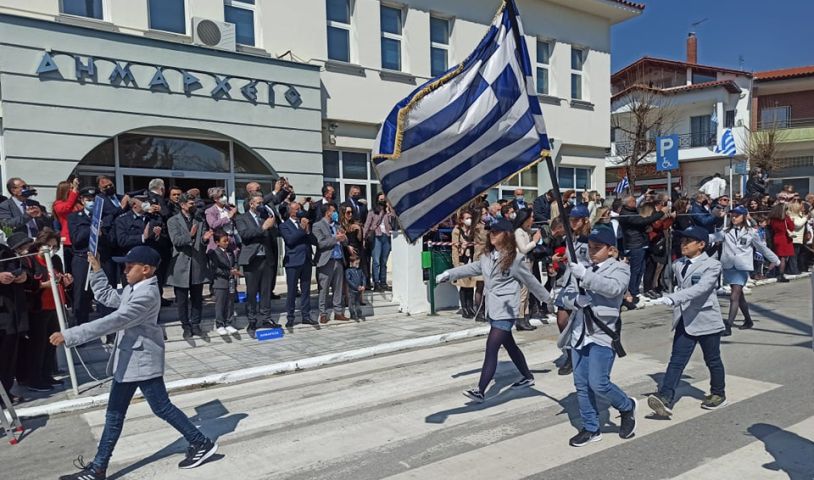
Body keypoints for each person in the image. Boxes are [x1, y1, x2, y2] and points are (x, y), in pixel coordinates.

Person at [51, 246, 217, 479]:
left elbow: (115, 320)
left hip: (141, 361)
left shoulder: (146, 294)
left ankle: (200, 443)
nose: (125, 270)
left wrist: (71, 334)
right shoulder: (134, 288)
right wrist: (97, 271)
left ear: (146, 270)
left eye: (130, 267)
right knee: (126, 412)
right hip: (130, 360)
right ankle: (99, 467)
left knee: (152, 409)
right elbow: (109, 298)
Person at [436, 218, 550, 403]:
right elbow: (470, 268)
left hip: (506, 310)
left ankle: (480, 390)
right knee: (510, 346)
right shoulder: (486, 257)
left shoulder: (516, 259)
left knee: (492, 347)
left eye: (496, 232)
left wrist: (549, 300)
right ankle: (527, 376)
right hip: (493, 309)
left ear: (506, 235)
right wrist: (449, 274)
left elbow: (532, 282)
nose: (492, 235)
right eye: (490, 232)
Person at [558, 224, 637, 447]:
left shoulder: (620, 268)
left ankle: (626, 405)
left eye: (598, 248)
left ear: (611, 250)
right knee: (581, 384)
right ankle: (591, 428)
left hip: (602, 332)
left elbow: (614, 289)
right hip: (580, 332)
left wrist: (586, 277)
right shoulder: (582, 267)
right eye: (590, 247)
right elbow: (564, 296)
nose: (592, 252)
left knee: (599, 383)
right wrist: (574, 301)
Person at [649, 226, 728, 416]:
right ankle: (665, 397)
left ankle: (718, 393)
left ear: (701, 245)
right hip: (685, 319)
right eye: (682, 241)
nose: (682, 244)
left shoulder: (712, 265)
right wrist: (672, 295)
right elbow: (681, 286)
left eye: (687, 241)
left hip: (706, 319)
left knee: (713, 359)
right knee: (676, 360)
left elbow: (701, 288)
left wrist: (674, 298)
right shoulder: (678, 264)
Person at [719, 206, 780, 334]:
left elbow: (762, 248)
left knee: (734, 295)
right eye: (732, 215)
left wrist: (775, 260)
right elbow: (712, 237)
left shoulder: (752, 232)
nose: (734, 217)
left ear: (744, 217)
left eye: (737, 215)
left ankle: (728, 326)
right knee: (739, 296)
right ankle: (748, 320)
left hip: (742, 267)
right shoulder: (725, 231)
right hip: (729, 267)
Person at [24, 229, 71, 391]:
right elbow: (28, 284)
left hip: (56, 306)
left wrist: (65, 280)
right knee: (38, 344)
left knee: (52, 343)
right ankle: (34, 378)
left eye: (54, 246)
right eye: (47, 246)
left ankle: (46, 374)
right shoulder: (31, 261)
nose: (50, 250)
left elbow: (60, 278)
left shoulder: (56, 260)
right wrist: (45, 285)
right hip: (39, 308)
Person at [167, 194, 213, 340]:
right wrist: (190, 236)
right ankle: (185, 326)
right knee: (181, 300)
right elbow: (176, 241)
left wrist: (205, 239)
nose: (193, 205)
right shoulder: (172, 221)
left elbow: (203, 242)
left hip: (197, 264)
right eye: (190, 203)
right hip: (180, 265)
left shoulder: (199, 220)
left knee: (197, 298)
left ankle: (196, 324)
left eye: (194, 203)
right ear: (182, 204)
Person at [236, 192, 281, 338]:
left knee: (266, 291)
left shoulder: (264, 217)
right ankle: (252, 320)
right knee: (252, 292)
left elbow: (274, 235)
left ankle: (266, 318)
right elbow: (245, 235)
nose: (261, 205)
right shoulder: (241, 218)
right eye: (259, 203)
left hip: (266, 259)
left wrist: (272, 225)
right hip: (252, 260)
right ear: (251, 204)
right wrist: (263, 228)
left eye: (263, 202)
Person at [618, 195, 665, 306]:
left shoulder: (634, 211)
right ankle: (632, 292)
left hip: (641, 243)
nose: (635, 203)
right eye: (633, 201)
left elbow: (641, 224)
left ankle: (636, 291)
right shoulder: (626, 214)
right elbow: (642, 221)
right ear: (627, 203)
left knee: (641, 269)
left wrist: (645, 228)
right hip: (634, 244)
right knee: (635, 270)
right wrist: (661, 213)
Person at [0, 233, 29, 406]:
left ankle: (6, 391)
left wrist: (23, 277)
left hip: (12, 310)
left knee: (9, 354)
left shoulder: (5, 250)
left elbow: (20, 268)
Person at [278, 201, 317, 330]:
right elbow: (290, 240)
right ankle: (290, 317)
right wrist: (301, 228)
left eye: (299, 208)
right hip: (293, 262)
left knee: (306, 290)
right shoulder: (285, 225)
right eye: (296, 209)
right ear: (290, 211)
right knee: (292, 291)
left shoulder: (305, 223)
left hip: (306, 260)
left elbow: (314, 241)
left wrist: (308, 230)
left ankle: (306, 315)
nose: (298, 211)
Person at [68, 187, 99, 326]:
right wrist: (92, 227)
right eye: (88, 200)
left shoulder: (102, 215)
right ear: (82, 200)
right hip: (82, 257)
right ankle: (80, 326)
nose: (91, 202)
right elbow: (77, 239)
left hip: (99, 258)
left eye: (94, 200)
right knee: (81, 294)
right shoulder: (74, 217)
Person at [314, 203, 349, 324]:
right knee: (323, 289)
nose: (335, 214)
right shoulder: (317, 226)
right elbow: (320, 243)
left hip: (338, 260)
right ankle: (323, 313)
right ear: (328, 212)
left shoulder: (337, 225)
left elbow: (345, 241)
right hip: (325, 261)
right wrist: (336, 239)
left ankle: (338, 312)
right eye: (333, 211)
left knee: (338, 288)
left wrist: (344, 237)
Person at [96, 176, 130, 289]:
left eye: (111, 185)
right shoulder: (100, 200)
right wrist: (122, 207)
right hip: (109, 240)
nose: (109, 187)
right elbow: (110, 213)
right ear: (101, 189)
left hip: (123, 238)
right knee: (110, 274)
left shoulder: (121, 197)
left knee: (126, 271)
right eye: (106, 187)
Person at [452, 209, 484, 320]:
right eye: (467, 218)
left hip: (471, 259)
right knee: (463, 285)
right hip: (462, 260)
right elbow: (454, 248)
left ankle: (471, 307)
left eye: (470, 218)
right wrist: (456, 264)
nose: (469, 220)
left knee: (470, 285)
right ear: (461, 219)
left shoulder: (472, 230)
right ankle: (464, 308)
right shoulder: (457, 230)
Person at [514, 209, 542, 331]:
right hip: (522, 264)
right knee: (522, 293)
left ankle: (525, 317)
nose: (533, 219)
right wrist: (534, 241)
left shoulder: (526, 231)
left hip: (528, 264)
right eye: (531, 217)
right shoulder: (519, 232)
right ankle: (520, 319)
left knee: (527, 293)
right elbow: (523, 249)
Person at [208, 231, 240, 335]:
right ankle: (220, 324)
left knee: (230, 303)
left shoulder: (230, 252)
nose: (227, 243)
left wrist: (235, 269)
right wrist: (228, 272)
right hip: (220, 282)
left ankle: (229, 323)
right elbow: (215, 269)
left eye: (227, 240)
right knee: (220, 304)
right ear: (217, 242)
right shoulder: (213, 253)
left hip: (230, 281)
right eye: (224, 241)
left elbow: (234, 262)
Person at [364, 192, 395, 292]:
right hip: (377, 236)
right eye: (381, 199)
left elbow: (394, 221)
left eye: (384, 199)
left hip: (387, 236)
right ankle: (376, 283)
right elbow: (367, 225)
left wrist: (389, 210)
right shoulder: (372, 211)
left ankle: (383, 282)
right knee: (376, 261)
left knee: (384, 261)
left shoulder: (389, 211)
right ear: (377, 200)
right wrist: (363, 238)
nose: (383, 201)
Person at [52, 178, 82, 274]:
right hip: (69, 239)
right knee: (71, 267)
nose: (74, 190)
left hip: (80, 235)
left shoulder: (76, 203)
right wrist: (74, 192)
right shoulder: (58, 204)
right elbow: (67, 208)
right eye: (71, 188)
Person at [204, 187, 238, 252]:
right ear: (215, 199)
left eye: (224, 195)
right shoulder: (210, 211)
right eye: (221, 196)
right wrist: (228, 217)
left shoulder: (229, 209)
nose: (224, 197)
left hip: (231, 243)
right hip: (217, 244)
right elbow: (213, 225)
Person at [768, 202, 795, 282]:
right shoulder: (785, 219)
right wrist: (791, 220)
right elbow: (792, 228)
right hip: (784, 238)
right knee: (783, 258)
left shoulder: (773, 219)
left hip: (776, 237)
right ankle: (781, 275)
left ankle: (770, 271)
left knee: (777, 257)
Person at [787, 199, 807, 276]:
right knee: (793, 255)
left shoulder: (798, 215)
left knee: (796, 254)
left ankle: (794, 268)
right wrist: (805, 218)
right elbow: (797, 224)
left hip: (798, 238)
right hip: (794, 238)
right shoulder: (791, 215)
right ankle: (793, 270)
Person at [345, 255, 366, 320]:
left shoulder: (360, 270)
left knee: (357, 302)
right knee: (351, 303)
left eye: (358, 263)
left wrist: (363, 285)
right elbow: (349, 280)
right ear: (351, 263)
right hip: (352, 290)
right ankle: (352, 314)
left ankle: (359, 313)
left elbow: (363, 278)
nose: (358, 265)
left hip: (359, 290)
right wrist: (356, 287)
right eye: (356, 263)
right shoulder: (348, 271)